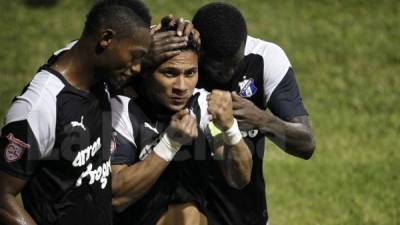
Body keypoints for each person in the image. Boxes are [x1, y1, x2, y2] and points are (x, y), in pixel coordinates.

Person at [0, 1, 151, 224]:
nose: (137, 68)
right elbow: (3, 197)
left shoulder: (96, 67)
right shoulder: (39, 108)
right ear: (106, 39)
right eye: (135, 56)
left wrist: (179, 29)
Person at [110, 24, 252, 225]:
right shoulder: (122, 111)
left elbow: (239, 178)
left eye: (190, 73)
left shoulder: (202, 106)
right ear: (147, 72)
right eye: (170, 73)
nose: (182, 86)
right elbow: (117, 197)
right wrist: (169, 144)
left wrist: (230, 129)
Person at [190, 2, 316, 225]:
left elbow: (306, 143)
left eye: (235, 65)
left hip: (245, 215)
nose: (228, 75)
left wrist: (261, 119)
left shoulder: (265, 58)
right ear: (201, 52)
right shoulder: (179, 62)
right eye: (218, 69)